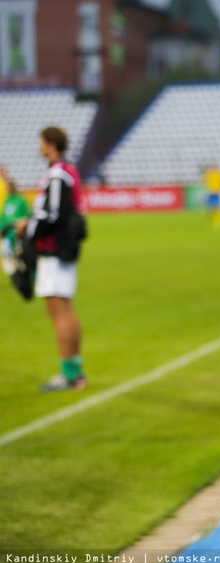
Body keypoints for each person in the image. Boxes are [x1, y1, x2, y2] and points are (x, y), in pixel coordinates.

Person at [16, 126, 87, 391]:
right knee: (64, 308)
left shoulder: (57, 173)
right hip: (63, 247)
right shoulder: (67, 170)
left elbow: (53, 213)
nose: (38, 146)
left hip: (54, 248)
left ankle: (69, 374)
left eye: (41, 141)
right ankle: (75, 371)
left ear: (51, 143)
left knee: (58, 310)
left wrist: (28, 227)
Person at [1, 177, 30, 275]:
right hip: (7, 232)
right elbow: (3, 217)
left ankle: (23, 269)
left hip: (17, 231)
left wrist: (20, 224)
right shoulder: (7, 200)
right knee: (8, 254)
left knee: (19, 252)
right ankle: (13, 271)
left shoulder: (21, 200)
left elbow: (27, 216)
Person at [203, 164, 220, 230]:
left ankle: (218, 220)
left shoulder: (219, 174)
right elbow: (205, 181)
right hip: (211, 192)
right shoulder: (209, 174)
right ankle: (212, 219)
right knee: (210, 207)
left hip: (217, 192)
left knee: (217, 207)